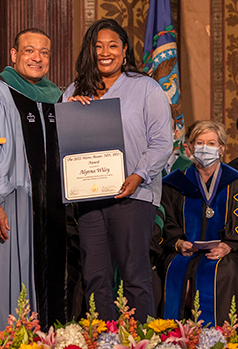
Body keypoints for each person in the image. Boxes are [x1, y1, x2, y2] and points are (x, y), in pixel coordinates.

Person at [62, 18, 173, 321]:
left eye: (113, 45)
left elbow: (163, 142)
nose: (105, 52)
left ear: (125, 51)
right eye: (98, 46)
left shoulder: (146, 88)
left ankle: (141, 339)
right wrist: (70, 112)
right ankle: (104, 337)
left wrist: (138, 176)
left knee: (135, 273)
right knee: (95, 277)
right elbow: (64, 145)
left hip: (134, 196)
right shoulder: (73, 90)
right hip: (89, 197)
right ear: (89, 51)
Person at [0, 28, 73, 331]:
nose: (37, 58)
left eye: (44, 52)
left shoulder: (58, 97)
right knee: (11, 284)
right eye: (29, 50)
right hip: (13, 206)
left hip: (52, 208)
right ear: (13, 55)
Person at [162, 120, 238, 326]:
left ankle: (229, 332)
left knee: (227, 270)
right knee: (171, 267)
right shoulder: (175, 183)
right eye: (199, 143)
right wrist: (178, 243)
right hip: (185, 251)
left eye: (211, 143)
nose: (204, 148)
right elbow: (167, 221)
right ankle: (176, 335)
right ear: (189, 148)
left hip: (229, 252)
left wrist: (229, 245)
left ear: (221, 149)